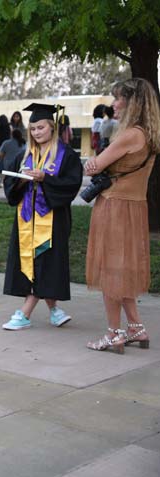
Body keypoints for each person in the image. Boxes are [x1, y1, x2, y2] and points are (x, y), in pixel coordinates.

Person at [84, 78, 159, 354]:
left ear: (132, 103)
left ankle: (114, 334)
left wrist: (95, 163)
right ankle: (136, 328)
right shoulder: (149, 135)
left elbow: (94, 167)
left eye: (118, 99)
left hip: (114, 207)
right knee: (123, 270)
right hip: (135, 207)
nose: (113, 104)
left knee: (110, 271)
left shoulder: (128, 135)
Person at [1, 103, 83, 330]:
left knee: (46, 262)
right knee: (38, 264)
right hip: (26, 219)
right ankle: (55, 311)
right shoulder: (23, 154)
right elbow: (10, 187)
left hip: (53, 220)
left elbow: (71, 185)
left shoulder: (66, 155)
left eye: (41, 127)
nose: (37, 132)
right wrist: (20, 179)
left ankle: (23, 314)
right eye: (33, 128)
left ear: (52, 127)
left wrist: (45, 179)